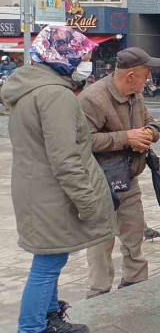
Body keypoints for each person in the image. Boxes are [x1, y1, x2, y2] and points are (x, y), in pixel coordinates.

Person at [1, 26, 116, 333]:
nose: (84, 62)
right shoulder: (55, 95)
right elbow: (67, 159)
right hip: (51, 193)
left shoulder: (29, 89)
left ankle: (49, 317)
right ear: (62, 57)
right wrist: (89, 203)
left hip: (35, 189)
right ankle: (32, 327)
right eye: (81, 56)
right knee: (47, 265)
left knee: (51, 257)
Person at [79, 47, 160, 299]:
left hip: (128, 178)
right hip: (100, 180)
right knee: (101, 240)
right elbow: (83, 140)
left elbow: (152, 123)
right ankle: (99, 293)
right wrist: (126, 138)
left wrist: (148, 134)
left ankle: (136, 282)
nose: (148, 79)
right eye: (146, 73)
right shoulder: (92, 98)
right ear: (130, 75)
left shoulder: (136, 94)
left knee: (134, 231)